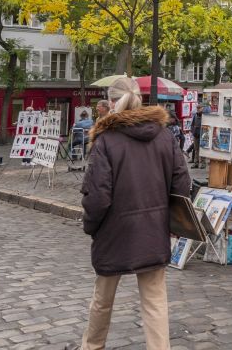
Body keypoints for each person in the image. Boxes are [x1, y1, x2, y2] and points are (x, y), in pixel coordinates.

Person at [79, 77, 191, 350]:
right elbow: (182, 183)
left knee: (103, 297)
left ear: (112, 102)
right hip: (153, 228)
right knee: (154, 300)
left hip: (114, 230)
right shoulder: (164, 136)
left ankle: (92, 346)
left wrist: (91, 226)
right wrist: (172, 221)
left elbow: (98, 195)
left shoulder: (106, 140)